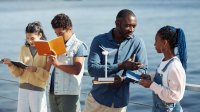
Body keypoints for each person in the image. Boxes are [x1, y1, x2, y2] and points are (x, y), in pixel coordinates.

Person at [83, 9, 148, 112]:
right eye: (128, 25)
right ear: (117, 23)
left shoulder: (137, 43)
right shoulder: (99, 41)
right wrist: (121, 65)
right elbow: (92, 69)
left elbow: (142, 71)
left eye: (134, 26)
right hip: (96, 101)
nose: (132, 29)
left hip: (119, 104)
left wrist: (124, 78)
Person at [3, 21, 51, 112]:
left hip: (38, 89)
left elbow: (46, 76)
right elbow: (19, 73)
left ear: (40, 35)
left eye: (32, 38)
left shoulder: (46, 48)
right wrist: (11, 65)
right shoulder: (23, 48)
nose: (30, 41)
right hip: (22, 89)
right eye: (28, 38)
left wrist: (36, 70)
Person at [139, 25, 187, 112]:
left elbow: (175, 96)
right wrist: (150, 77)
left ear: (164, 43)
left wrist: (151, 85)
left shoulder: (175, 66)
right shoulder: (165, 60)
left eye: (156, 40)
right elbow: (164, 76)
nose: (154, 44)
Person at [48, 13, 88, 112]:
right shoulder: (55, 44)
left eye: (61, 33)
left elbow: (76, 69)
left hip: (68, 94)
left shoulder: (79, 46)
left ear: (69, 28)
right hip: (52, 92)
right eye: (56, 34)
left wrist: (57, 63)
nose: (58, 36)